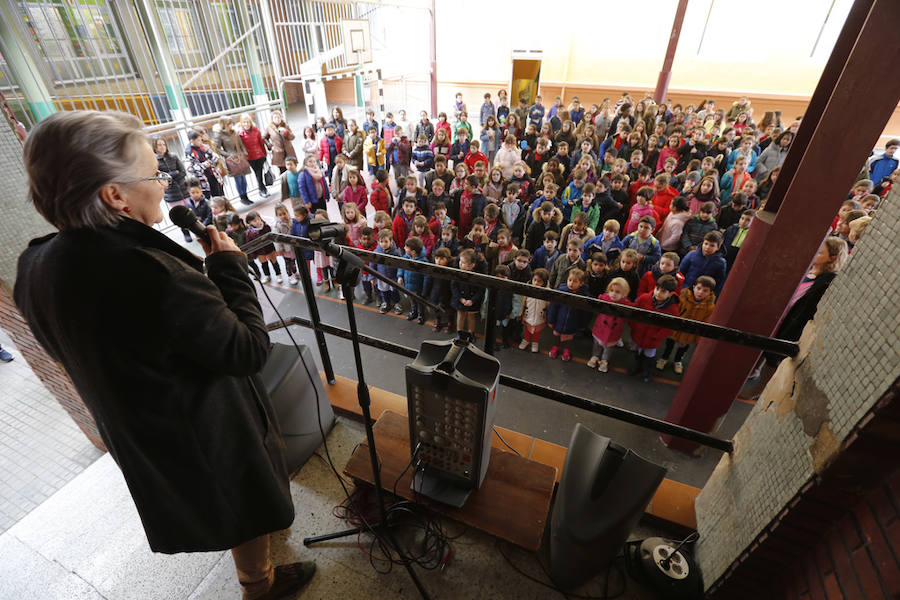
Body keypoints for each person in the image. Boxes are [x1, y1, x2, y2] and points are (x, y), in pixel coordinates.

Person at [15, 110, 314, 600]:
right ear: (115, 195)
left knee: (230, 506)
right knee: (243, 499)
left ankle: (256, 573)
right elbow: (247, 351)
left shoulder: (36, 262)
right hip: (206, 429)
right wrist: (230, 269)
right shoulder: (151, 275)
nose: (162, 184)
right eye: (152, 174)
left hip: (145, 430)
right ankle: (259, 586)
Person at [742, 237, 848, 399]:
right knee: (764, 350)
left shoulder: (827, 281)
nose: (814, 254)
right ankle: (754, 375)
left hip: (793, 324)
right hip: (779, 318)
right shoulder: (807, 270)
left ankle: (761, 388)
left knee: (774, 358)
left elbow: (811, 309)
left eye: (820, 253)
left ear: (832, 258)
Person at [657, 276, 717, 374]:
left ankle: (677, 361)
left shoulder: (710, 307)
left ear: (710, 293)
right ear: (694, 287)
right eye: (698, 288)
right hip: (675, 329)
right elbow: (674, 311)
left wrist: (698, 335)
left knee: (683, 348)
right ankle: (664, 358)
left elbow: (705, 322)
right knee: (669, 344)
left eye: (705, 291)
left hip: (690, 333)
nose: (700, 292)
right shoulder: (682, 297)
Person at [628, 274, 680, 382]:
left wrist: (657, 336)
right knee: (638, 352)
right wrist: (634, 326)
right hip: (639, 334)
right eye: (657, 289)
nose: (658, 293)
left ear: (670, 294)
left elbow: (671, 326)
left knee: (649, 356)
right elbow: (633, 312)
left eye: (663, 291)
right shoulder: (644, 298)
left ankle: (646, 372)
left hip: (652, 339)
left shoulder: (673, 309)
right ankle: (637, 367)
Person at [588, 278, 633, 373]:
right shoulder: (605, 298)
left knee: (608, 349)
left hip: (613, 332)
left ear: (624, 294)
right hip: (600, 328)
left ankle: (604, 361)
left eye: (617, 292)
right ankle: (595, 356)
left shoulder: (626, 304)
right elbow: (598, 303)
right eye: (611, 290)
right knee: (596, 344)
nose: (613, 294)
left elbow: (629, 315)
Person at [546, 268, 589, 362]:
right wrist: (550, 320)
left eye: (575, 281)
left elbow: (584, 312)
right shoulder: (561, 292)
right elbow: (553, 307)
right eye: (570, 280)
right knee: (556, 335)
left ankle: (566, 350)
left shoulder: (583, 296)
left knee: (569, 338)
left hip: (572, 323)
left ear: (581, 283)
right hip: (559, 321)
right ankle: (555, 347)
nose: (571, 283)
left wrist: (582, 325)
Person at [153, 138, 192, 242]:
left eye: (164, 144)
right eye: (159, 145)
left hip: (183, 188)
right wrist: (175, 173)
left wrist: (171, 177)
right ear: (155, 147)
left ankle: (194, 228)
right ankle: (185, 232)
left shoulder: (173, 156)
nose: (162, 147)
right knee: (180, 214)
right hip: (171, 193)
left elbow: (183, 171)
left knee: (190, 210)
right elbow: (161, 178)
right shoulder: (154, 162)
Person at [211, 116, 252, 205]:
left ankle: (246, 196)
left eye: (231, 123)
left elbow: (240, 144)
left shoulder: (234, 132)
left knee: (244, 178)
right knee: (238, 179)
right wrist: (228, 155)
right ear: (224, 124)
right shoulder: (219, 134)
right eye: (229, 123)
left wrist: (244, 153)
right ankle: (242, 197)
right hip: (231, 159)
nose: (231, 125)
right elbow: (217, 148)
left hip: (240, 157)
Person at [679, 231, 727, 296]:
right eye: (706, 244)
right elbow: (681, 272)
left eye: (712, 245)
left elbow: (719, 282)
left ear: (718, 248)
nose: (707, 247)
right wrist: (681, 287)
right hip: (685, 290)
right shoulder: (692, 254)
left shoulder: (721, 263)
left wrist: (712, 295)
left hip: (703, 294)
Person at [451, 249, 485, 336]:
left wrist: (472, 300)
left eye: (463, 262)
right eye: (460, 261)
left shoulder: (477, 276)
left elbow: (480, 290)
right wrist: (460, 298)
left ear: (472, 265)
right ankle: (459, 332)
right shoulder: (458, 273)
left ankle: (471, 333)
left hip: (472, 300)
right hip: (460, 299)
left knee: (471, 317)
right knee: (460, 316)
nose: (460, 264)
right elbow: (454, 287)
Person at [397, 236, 429, 324]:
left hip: (418, 288)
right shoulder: (406, 257)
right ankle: (413, 312)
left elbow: (426, 277)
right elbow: (401, 267)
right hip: (408, 286)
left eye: (406, 247)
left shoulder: (423, 262)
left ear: (413, 252)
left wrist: (424, 290)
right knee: (412, 301)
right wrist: (400, 276)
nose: (404, 248)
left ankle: (421, 315)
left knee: (420, 303)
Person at [238, 114, 270, 199]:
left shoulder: (256, 130)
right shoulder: (240, 133)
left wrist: (264, 153)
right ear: (241, 123)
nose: (246, 124)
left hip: (259, 155)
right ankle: (262, 189)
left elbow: (261, 142)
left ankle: (262, 189)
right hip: (250, 157)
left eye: (247, 122)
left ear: (250, 122)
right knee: (257, 173)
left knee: (259, 172)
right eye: (244, 122)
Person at [185, 130, 224, 198]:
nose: (201, 142)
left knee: (220, 197)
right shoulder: (189, 152)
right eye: (198, 140)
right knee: (208, 200)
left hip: (213, 176)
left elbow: (216, 158)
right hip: (203, 181)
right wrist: (202, 165)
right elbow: (189, 168)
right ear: (192, 141)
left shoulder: (204, 147)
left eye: (201, 140)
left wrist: (208, 151)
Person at [423, 247, 454, 332]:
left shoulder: (451, 270)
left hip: (448, 294)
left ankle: (450, 322)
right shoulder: (433, 269)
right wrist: (425, 293)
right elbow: (428, 281)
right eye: (436, 258)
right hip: (436, 293)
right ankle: (438, 320)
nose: (438, 261)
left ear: (447, 259)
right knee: (436, 308)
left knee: (449, 310)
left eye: (441, 259)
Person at [263, 110, 296, 174]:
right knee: (283, 172)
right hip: (278, 153)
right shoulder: (269, 128)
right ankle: (284, 183)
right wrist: (270, 146)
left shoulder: (285, 126)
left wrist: (286, 132)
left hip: (288, 151)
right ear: (272, 119)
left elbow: (292, 137)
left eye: (279, 117)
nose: (277, 119)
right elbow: (264, 138)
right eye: (275, 117)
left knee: (292, 170)